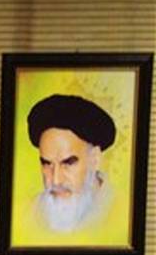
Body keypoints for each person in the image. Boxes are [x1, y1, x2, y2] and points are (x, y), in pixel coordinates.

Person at [26, 94, 117, 233]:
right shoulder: (30, 213)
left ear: (94, 159)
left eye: (68, 163)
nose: (56, 180)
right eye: (47, 164)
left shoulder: (120, 211)